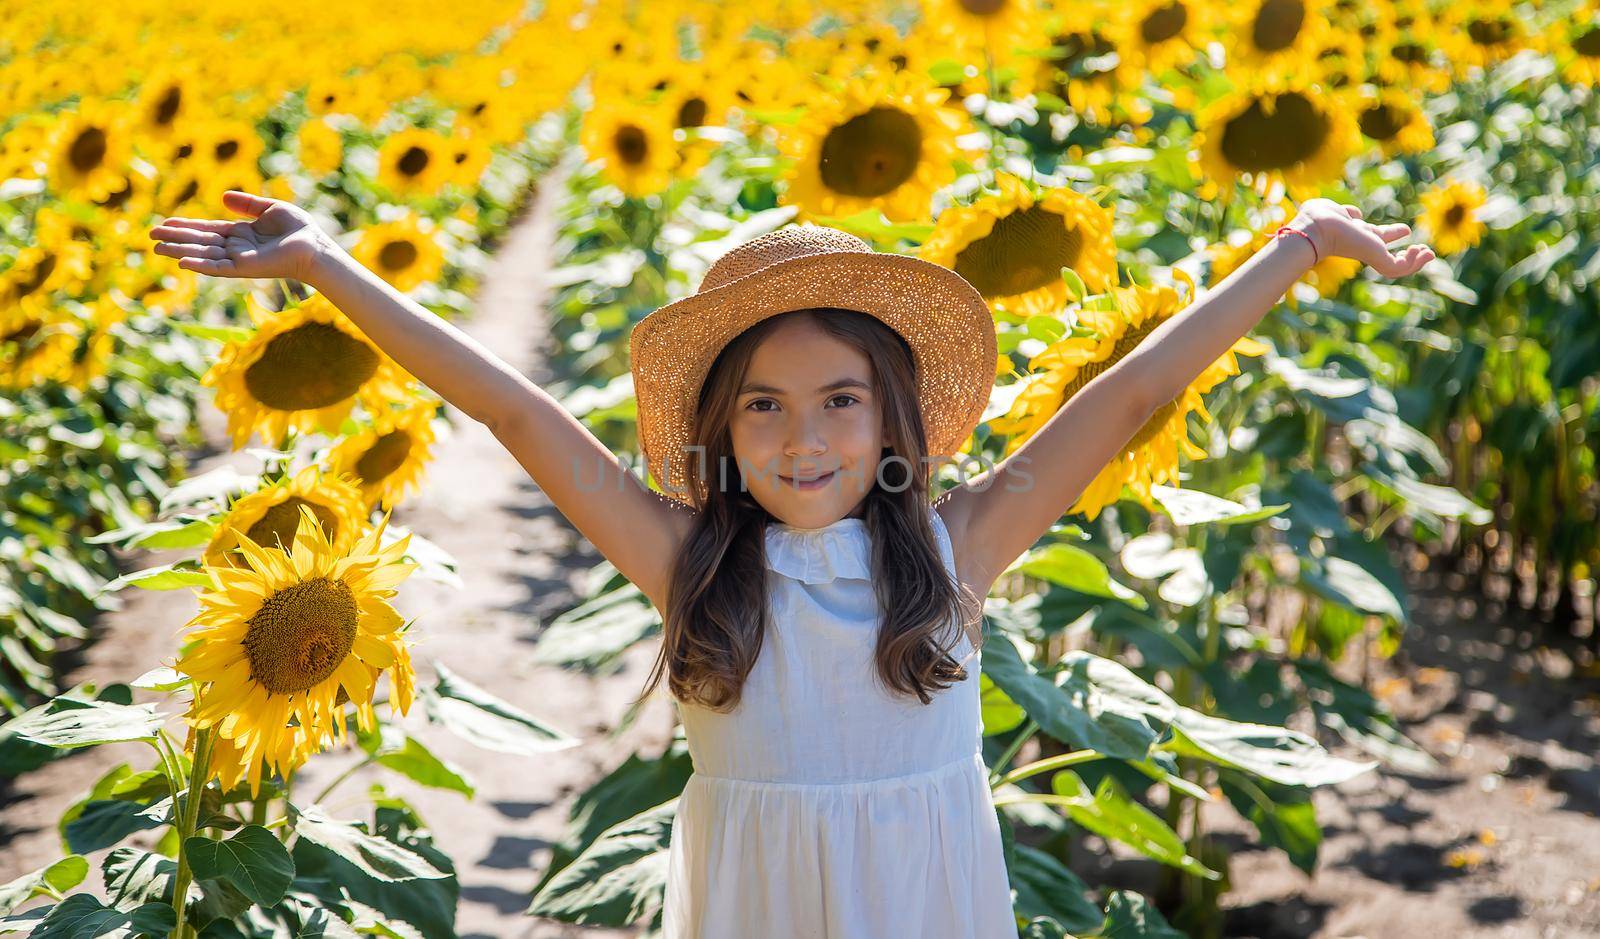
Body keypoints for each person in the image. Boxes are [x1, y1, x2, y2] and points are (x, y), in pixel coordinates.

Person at [149, 189, 1433, 937]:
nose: (803, 436)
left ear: (897, 419)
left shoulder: (961, 541)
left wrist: (1298, 245)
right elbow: (517, 412)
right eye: (761, 406)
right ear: (717, 430)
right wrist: (325, 264)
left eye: (839, 400)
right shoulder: (686, 562)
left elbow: (1135, 391)